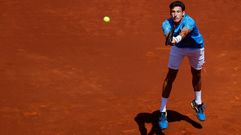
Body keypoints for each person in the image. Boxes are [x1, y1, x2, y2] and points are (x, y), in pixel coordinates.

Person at [159, 1, 206, 129]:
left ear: (183, 13)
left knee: (196, 74)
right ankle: (162, 111)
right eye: (173, 12)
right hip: (178, 49)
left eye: (178, 12)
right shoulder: (166, 23)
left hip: (196, 49)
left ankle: (198, 103)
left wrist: (176, 39)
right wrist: (169, 38)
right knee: (170, 76)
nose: (175, 14)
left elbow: (184, 32)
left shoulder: (190, 21)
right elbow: (167, 33)